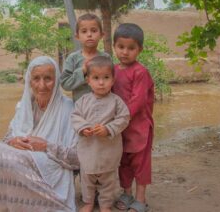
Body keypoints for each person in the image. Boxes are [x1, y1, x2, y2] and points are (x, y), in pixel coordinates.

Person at [0, 56, 79, 212]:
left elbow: (78, 158)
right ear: (29, 81)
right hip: (21, 159)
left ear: (57, 80)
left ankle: (50, 200)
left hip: (49, 164)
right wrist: (13, 141)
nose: (42, 85)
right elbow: (7, 138)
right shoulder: (25, 105)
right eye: (36, 79)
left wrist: (46, 146)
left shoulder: (68, 108)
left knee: (16, 159)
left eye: (48, 79)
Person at [71, 56, 130, 212]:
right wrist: (83, 128)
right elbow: (75, 116)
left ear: (113, 80)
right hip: (88, 149)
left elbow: (124, 118)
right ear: (88, 80)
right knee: (87, 179)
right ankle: (88, 202)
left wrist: (109, 129)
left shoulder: (117, 101)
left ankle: (105, 204)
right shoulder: (82, 101)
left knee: (108, 180)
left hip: (108, 150)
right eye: (96, 78)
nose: (101, 82)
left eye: (106, 77)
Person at [112, 23, 154, 212]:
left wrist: (119, 118)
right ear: (114, 46)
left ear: (139, 50)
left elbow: (137, 101)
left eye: (131, 48)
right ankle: (127, 193)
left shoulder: (140, 72)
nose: (125, 52)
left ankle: (141, 199)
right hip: (121, 128)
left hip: (139, 128)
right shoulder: (113, 70)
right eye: (121, 47)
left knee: (140, 164)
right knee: (124, 162)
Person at [61, 13, 110, 102]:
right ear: (77, 36)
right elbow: (65, 84)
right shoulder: (72, 59)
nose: (89, 34)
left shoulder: (105, 58)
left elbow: (112, 81)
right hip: (80, 110)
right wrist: (82, 71)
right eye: (84, 31)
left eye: (94, 30)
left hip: (103, 108)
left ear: (101, 35)